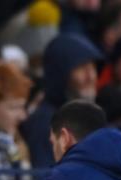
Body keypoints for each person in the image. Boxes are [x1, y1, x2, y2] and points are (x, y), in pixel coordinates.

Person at [19, 33, 102, 170]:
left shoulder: (92, 118)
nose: (91, 76)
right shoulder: (45, 123)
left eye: (93, 67)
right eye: (81, 67)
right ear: (60, 73)